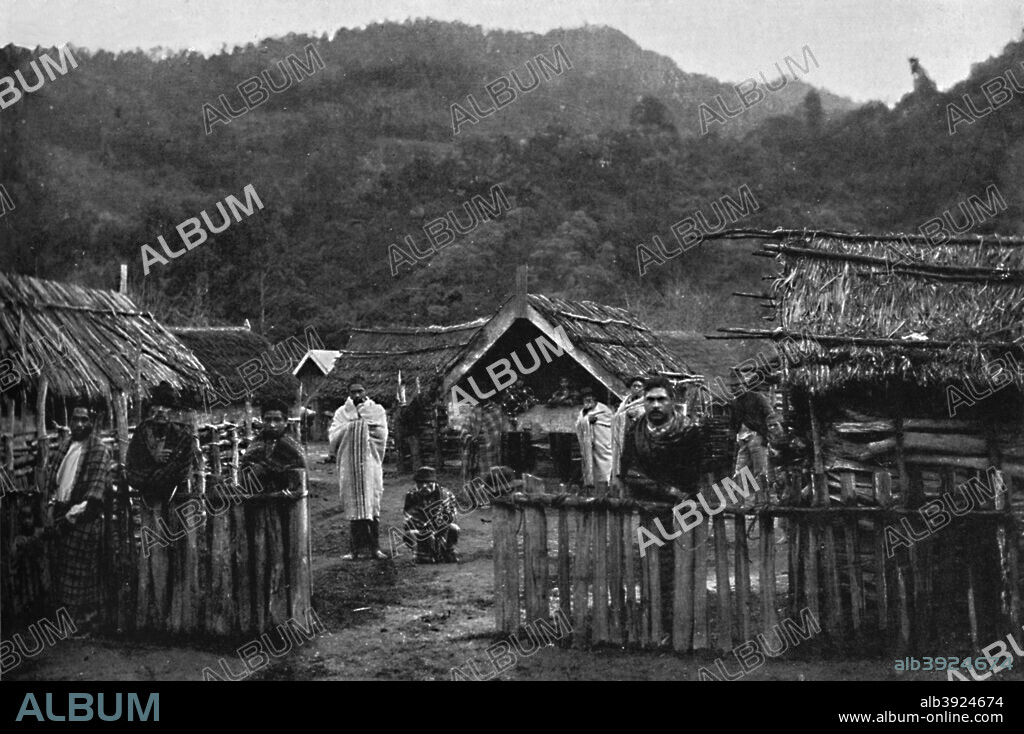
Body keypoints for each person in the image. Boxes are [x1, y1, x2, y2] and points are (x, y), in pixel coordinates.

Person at [42, 400, 113, 630]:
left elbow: (94, 494)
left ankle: (84, 622)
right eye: (75, 419)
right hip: (61, 513)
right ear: (69, 422)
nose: (79, 424)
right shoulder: (64, 447)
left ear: (92, 422)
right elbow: (54, 482)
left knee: (81, 573)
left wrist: (70, 518)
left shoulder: (99, 451)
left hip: (83, 517)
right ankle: (67, 622)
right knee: (63, 571)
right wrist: (52, 509)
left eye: (84, 419)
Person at [329, 381, 389, 560]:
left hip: (369, 462)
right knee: (354, 504)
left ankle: (375, 548)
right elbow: (333, 435)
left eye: (360, 391)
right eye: (353, 392)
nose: (357, 395)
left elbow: (381, 433)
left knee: (372, 504)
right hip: (350, 463)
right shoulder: (342, 412)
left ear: (366, 391)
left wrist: (360, 426)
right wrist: (353, 427)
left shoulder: (376, 410)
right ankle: (354, 550)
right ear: (348, 393)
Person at [619, 376, 704, 502]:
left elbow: (692, 475)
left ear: (672, 401)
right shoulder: (635, 430)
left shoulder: (688, 431)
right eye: (650, 400)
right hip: (645, 502)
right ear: (644, 402)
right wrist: (665, 490)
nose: (655, 405)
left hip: (682, 505)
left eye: (661, 399)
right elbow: (630, 472)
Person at [125, 381, 193, 508]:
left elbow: (181, 470)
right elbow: (132, 468)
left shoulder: (182, 436)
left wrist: (158, 475)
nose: (161, 410)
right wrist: (153, 458)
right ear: (151, 408)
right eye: (157, 405)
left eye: (166, 406)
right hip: (148, 497)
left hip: (177, 498)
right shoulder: (142, 432)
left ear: (173, 411)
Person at [729, 367, 783, 506]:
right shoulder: (735, 403)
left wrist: (768, 437)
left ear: (744, 385)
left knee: (761, 471)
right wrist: (733, 437)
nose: (735, 389)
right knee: (740, 472)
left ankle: (764, 502)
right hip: (743, 440)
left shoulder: (757, 397)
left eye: (738, 385)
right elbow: (734, 424)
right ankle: (747, 503)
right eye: (733, 386)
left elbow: (771, 416)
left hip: (757, 438)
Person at [240, 398, 305, 494]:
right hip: (256, 499)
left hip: (286, 500)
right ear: (262, 420)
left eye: (277, 420)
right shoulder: (256, 444)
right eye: (268, 420)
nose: (272, 425)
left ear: (286, 421)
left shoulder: (292, 446)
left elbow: (299, 474)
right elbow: (245, 469)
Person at [402, 466, 459, 564]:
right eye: (420, 483)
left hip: (441, 530)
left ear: (435, 483)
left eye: (428, 483)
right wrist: (426, 531)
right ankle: (424, 554)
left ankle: (447, 551)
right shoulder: (411, 496)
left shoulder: (446, 494)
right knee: (410, 534)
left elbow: (452, 516)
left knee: (454, 528)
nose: (424, 486)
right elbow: (408, 521)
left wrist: (438, 528)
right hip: (421, 531)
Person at [611, 375, 647, 489]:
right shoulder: (625, 402)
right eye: (634, 386)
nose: (636, 388)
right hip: (623, 438)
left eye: (639, 386)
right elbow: (617, 416)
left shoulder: (646, 403)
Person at [460, 398, 504, 487]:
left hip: (490, 452)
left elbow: (497, 433)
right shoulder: (473, 411)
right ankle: (474, 495)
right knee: (474, 481)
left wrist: (486, 439)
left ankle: (489, 493)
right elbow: (465, 429)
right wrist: (470, 438)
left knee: (490, 481)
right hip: (474, 451)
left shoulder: (496, 410)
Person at [575, 389, 613, 490]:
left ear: (594, 398)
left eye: (590, 396)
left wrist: (590, 421)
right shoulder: (583, 411)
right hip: (590, 445)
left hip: (602, 443)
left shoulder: (604, 410)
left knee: (605, 463)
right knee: (592, 464)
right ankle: (592, 484)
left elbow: (610, 422)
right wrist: (587, 420)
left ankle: (607, 483)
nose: (587, 399)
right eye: (585, 397)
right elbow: (578, 424)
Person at [546, 377, 579, 482]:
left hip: (568, 424)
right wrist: (561, 399)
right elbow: (550, 403)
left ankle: (567, 475)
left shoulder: (573, 393)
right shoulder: (557, 393)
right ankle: (559, 474)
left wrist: (560, 400)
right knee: (557, 450)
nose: (564, 384)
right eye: (562, 382)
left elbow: (572, 402)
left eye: (566, 381)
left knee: (567, 450)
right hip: (558, 424)